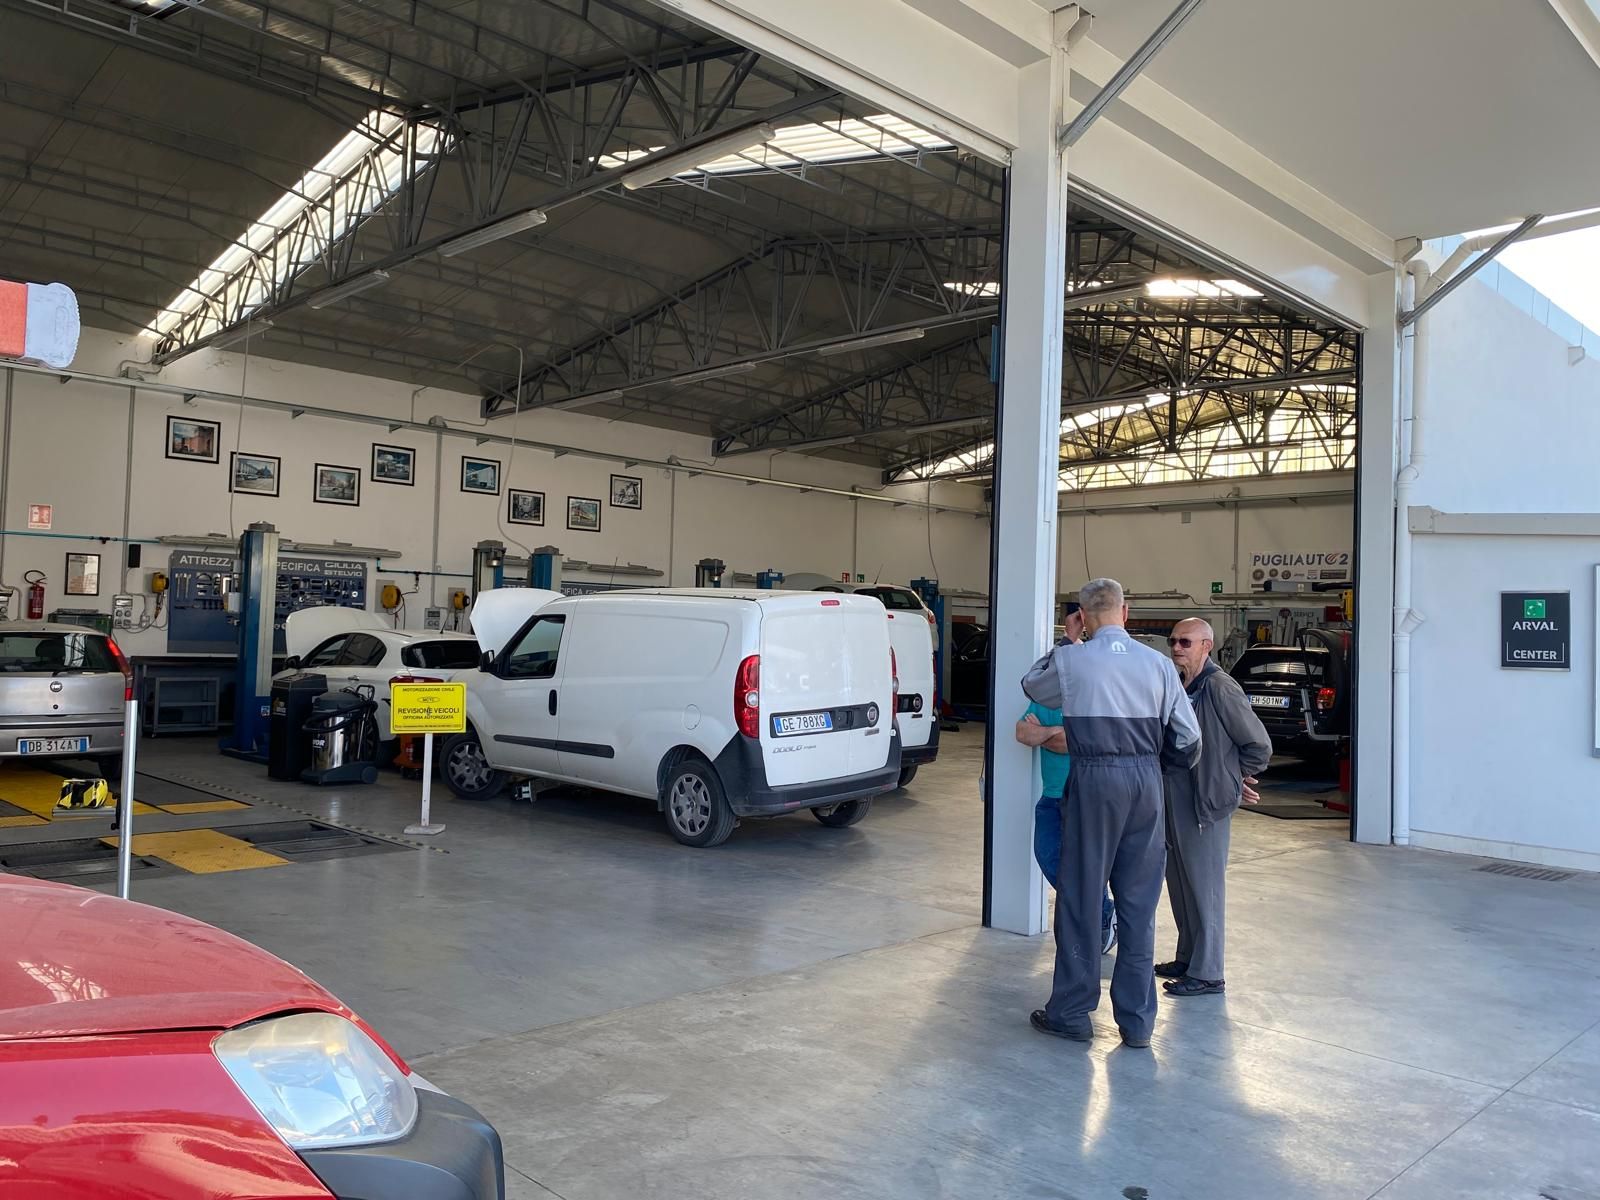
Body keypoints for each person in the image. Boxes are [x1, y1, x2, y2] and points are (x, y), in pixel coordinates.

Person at [1021, 578, 1201, 1048]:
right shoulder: (1159, 665)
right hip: (1145, 784)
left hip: (1093, 781)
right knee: (1139, 905)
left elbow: (1032, 685)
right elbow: (1189, 739)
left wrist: (1069, 640)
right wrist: (1152, 771)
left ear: (1082, 614)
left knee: (1081, 898)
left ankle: (1072, 1014)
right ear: (1126, 612)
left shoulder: (1072, 658)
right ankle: (1138, 1025)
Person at [1159, 618, 1273, 997]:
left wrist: (1233, 777)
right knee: (1180, 881)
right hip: (1174, 793)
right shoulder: (1181, 683)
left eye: (1185, 642)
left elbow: (1258, 744)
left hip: (1204, 800)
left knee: (1204, 887)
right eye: (1173, 641)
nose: (1177, 647)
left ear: (1206, 646)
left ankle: (1208, 973)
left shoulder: (1220, 687)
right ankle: (1189, 956)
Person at [1014, 699, 1118, 955]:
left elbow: (1074, 742)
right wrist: (1056, 733)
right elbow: (1021, 732)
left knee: (1085, 863)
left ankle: (1100, 920)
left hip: (1085, 796)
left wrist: (1043, 734)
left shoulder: (1090, 695)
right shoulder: (1046, 698)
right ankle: (1105, 912)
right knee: (1047, 853)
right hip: (1051, 796)